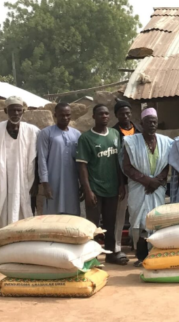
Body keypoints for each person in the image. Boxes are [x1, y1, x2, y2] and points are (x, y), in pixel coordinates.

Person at [76, 104, 128, 265]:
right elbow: (82, 166)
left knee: (110, 223)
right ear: (94, 117)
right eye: (100, 114)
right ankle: (91, 257)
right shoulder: (86, 138)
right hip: (95, 189)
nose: (104, 116)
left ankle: (111, 254)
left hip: (112, 188)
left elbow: (118, 162)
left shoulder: (114, 134)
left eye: (106, 114)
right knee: (92, 225)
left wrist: (121, 184)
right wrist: (88, 190)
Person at [0, 96, 40, 230]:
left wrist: (36, 182)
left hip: (25, 179)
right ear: (5, 110)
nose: (16, 114)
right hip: (2, 177)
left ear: (23, 111)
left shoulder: (32, 131)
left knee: (25, 208)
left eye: (19, 110)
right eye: (12, 110)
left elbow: (37, 158)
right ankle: (2, 236)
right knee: (1, 203)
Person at [122, 108, 173, 266]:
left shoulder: (166, 142)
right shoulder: (131, 141)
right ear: (141, 123)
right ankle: (141, 256)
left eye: (154, 122)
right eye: (149, 122)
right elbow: (127, 167)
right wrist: (146, 181)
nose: (152, 124)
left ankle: (156, 254)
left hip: (157, 187)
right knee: (139, 221)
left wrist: (157, 180)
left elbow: (168, 164)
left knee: (157, 220)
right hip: (139, 187)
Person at [36, 103, 81, 215]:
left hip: (72, 181)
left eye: (68, 115)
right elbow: (42, 159)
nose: (65, 118)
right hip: (53, 181)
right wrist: (45, 184)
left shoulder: (77, 134)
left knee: (72, 214)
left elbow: (80, 161)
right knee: (53, 214)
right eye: (62, 115)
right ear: (55, 115)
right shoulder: (46, 133)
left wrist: (82, 184)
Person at [113, 100, 142, 255]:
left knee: (137, 212)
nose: (125, 116)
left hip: (138, 180)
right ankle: (117, 246)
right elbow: (115, 161)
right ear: (116, 115)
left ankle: (136, 243)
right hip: (122, 180)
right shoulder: (113, 132)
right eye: (121, 113)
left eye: (128, 113)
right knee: (120, 215)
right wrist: (120, 184)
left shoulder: (139, 130)